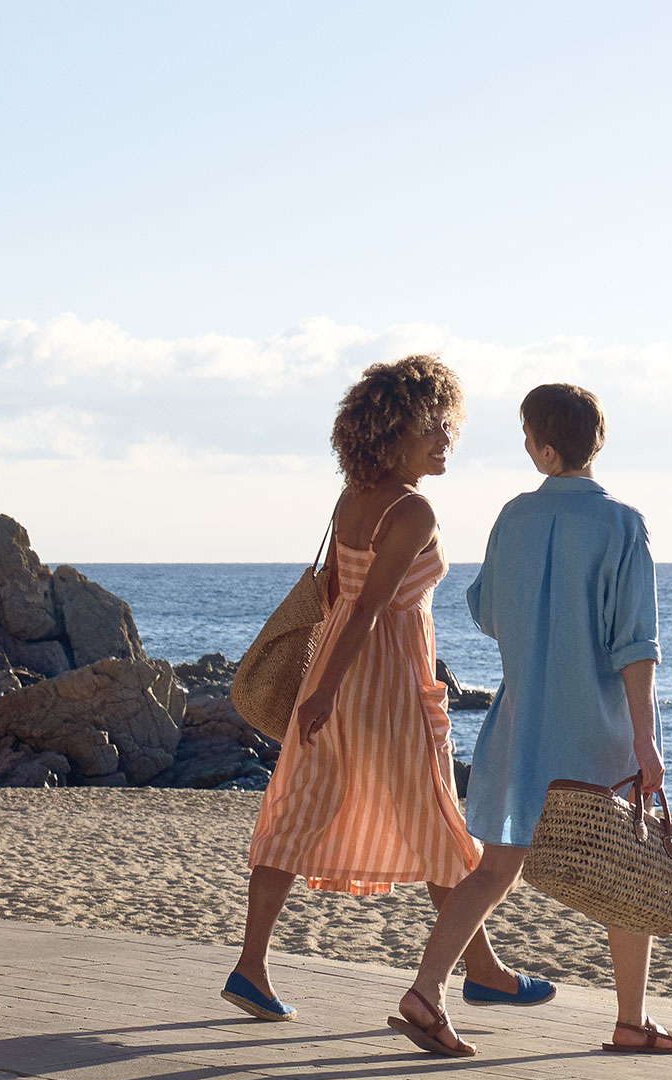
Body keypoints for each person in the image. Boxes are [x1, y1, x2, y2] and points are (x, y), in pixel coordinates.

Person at [226, 356, 551, 1022]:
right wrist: (326, 693)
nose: (444, 439)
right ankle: (482, 972)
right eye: (430, 426)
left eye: (447, 425)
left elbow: (342, 599)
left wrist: (322, 691)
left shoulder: (353, 500)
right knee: (435, 821)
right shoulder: (412, 509)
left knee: (296, 812)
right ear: (388, 431)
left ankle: (251, 967)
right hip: (389, 688)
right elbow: (370, 607)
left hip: (338, 680)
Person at [388, 382, 672, 1057]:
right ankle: (631, 1022)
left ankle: (426, 990)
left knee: (494, 870)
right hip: (596, 729)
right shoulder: (622, 524)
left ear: (547, 449)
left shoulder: (512, 518)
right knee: (626, 869)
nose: (524, 446)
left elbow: (489, 613)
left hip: (522, 727)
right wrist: (645, 737)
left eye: (526, 436)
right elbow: (635, 644)